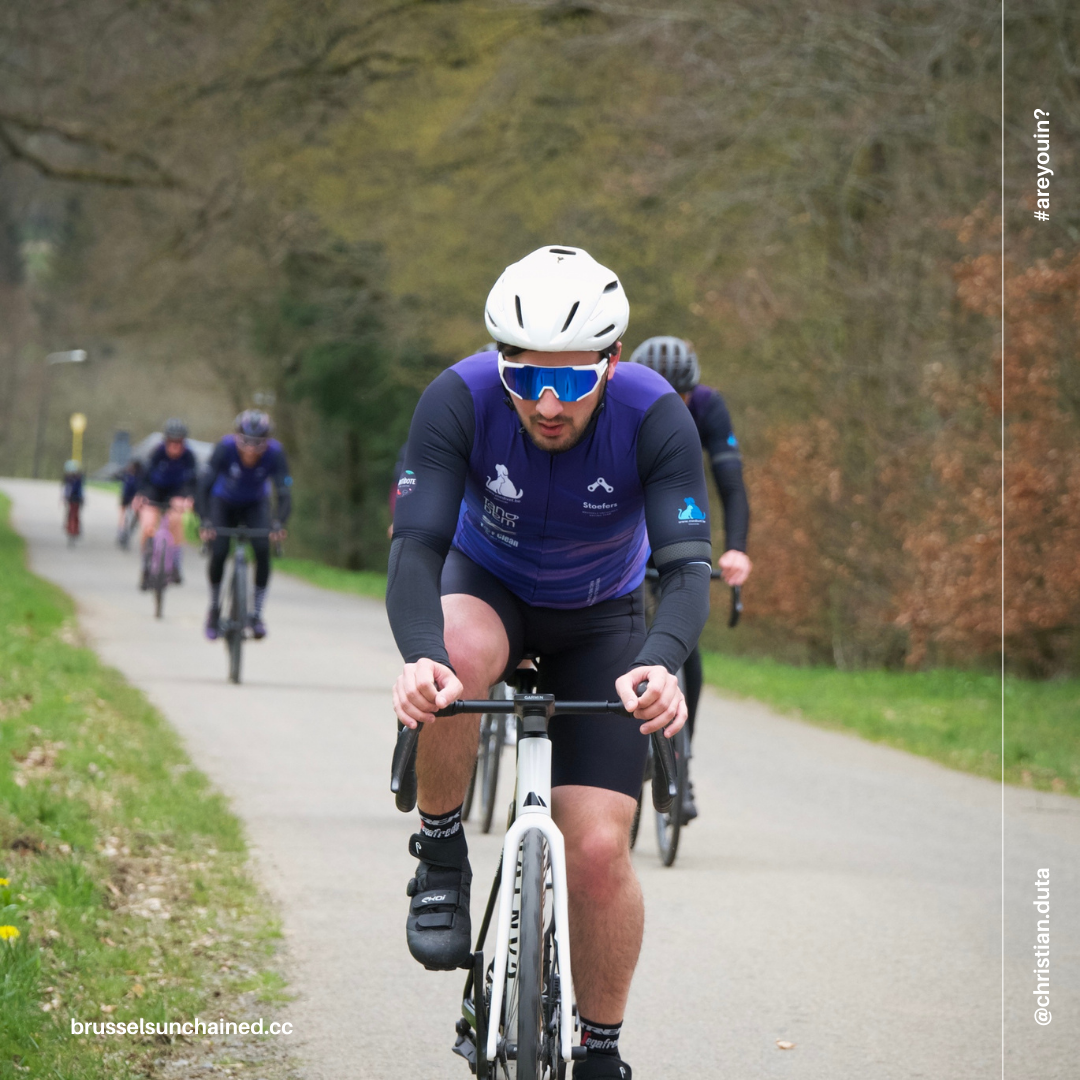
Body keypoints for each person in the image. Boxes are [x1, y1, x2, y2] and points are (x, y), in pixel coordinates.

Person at [388, 246, 712, 1080]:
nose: (544, 401)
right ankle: (441, 848)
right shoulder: (457, 398)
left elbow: (684, 569)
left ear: (610, 363)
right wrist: (421, 658)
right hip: (485, 586)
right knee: (455, 660)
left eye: (570, 382)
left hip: (600, 615)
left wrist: (664, 660)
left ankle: (601, 1048)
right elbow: (416, 548)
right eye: (524, 375)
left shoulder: (654, 415)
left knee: (600, 850)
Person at [628, 335, 752, 822]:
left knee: (685, 644)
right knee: (630, 633)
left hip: (677, 519)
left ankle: (683, 758)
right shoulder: (626, 405)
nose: (674, 406)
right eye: (665, 395)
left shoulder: (708, 407)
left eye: (682, 397)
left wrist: (736, 548)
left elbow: (731, 485)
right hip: (629, 525)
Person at [197, 409, 291, 641]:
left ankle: (256, 615)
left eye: (257, 444)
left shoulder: (276, 453)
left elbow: (284, 492)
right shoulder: (224, 448)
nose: (250, 449)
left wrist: (279, 522)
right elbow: (203, 486)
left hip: (255, 503)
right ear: (237, 437)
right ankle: (214, 610)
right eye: (246, 442)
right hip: (223, 502)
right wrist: (205, 520)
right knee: (218, 551)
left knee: (262, 549)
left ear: (266, 442)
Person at [134, 418, 197, 588]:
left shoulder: (189, 456)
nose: (175, 446)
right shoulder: (157, 453)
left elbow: (193, 481)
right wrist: (140, 496)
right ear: (166, 440)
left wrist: (189, 498)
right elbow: (145, 477)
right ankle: (145, 567)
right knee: (147, 524)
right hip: (155, 490)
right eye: (172, 442)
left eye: (179, 442)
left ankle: (175, 564)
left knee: (176, 521)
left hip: (177, 492)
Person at [117, 458, 144, 548]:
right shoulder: (133, 476)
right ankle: (123, 531)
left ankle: (124, 532)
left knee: (128, 516)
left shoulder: (131, 476)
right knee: (125, 516)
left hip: (132, 497)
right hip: (128, 497)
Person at [62, 460, 84, 538]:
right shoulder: (72, 479)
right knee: (72, 514)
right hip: (73, 498)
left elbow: (80, 490)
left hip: (75, 498)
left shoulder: (75, 479)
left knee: (73, 514)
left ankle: (73, 528)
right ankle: (72, 528)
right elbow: (66, 490)